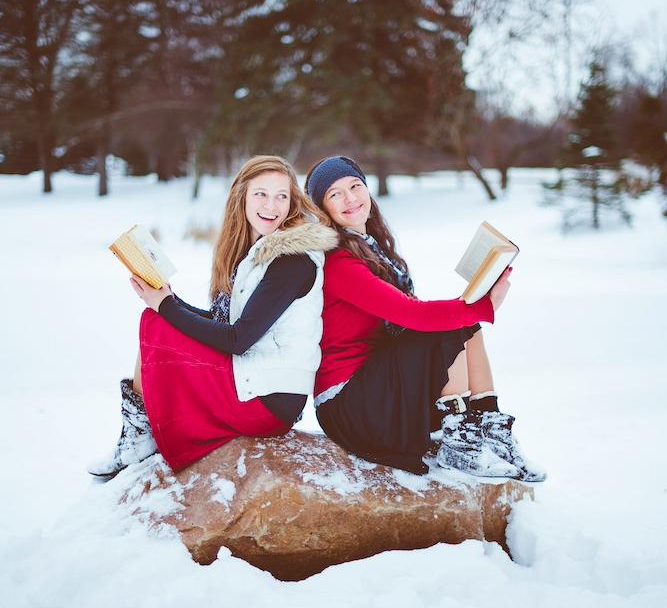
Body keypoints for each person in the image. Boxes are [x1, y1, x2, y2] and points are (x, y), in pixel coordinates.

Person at [88, 155, 338, 479]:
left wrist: (166, 306)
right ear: (242, 197)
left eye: (281, 196)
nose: (271, 205)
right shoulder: (258, 254)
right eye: (261, 193)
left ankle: (140, 435)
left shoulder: (291, 260)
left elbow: (238, 339)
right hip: (256, 379)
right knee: (159, 319)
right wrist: (168, 300)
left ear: (291, 204)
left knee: (157, 323)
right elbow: (227, 326)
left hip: (269, 399)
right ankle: (140, 432)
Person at [305, 155, 545, 481]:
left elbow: (411, 314)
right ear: (323, 209)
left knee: (462, 325)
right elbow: (409, 314)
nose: (349, 199)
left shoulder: (373, 249)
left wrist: (472, 305)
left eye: (355, 186)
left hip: (377, 384)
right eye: (335, 194)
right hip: (349, 402)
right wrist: (481, 306)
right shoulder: (338, 261)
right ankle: (458, 439)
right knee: (446, 326)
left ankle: (491, 432)